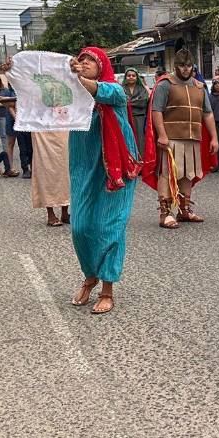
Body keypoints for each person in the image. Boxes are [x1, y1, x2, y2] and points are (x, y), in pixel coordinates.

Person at [65, 47, 143, 314]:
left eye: (90, 61)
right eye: (81, 60)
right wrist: (16, 73)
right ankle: (90, 274)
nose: (84, 63)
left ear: (102, 67)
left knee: (109, 226)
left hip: (116, 167)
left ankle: (106, 289)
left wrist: (79, 79)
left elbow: (98, 91)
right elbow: (41, 99)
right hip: (84, 164)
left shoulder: (114, 90)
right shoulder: (72, 96)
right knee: (80, 226)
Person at [143, 48, 218, 229]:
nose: (185, 69)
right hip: (170, 139)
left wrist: (214, 138)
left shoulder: (199, 87)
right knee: (167, 174)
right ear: (176, 66)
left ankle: (184, 210)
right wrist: (162, 135)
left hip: (193, 138)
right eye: (182, 66)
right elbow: (156, 111)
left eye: (188, 65)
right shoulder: (165, 84)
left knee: (188, 175)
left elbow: (207, 114)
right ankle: (165, 213)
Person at [31, 129, 71, 227]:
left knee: (65, 168)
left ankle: (65, 212)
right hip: (43, 128)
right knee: (46, 169)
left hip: (62, 126)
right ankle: (50, 213)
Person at [121, 68, 150, 153]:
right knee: (127, 140)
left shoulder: (142, 89)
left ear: (137, 77)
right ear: (125, 77)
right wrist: (135, 101)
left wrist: (128, 103)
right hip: (125, 119)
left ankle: (140, 161)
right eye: (129, 75)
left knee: (140, 140)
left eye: (133, 76)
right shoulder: (121, 88)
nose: (131, 77)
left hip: (140, 119)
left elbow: (143, 103)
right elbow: (121, 102)